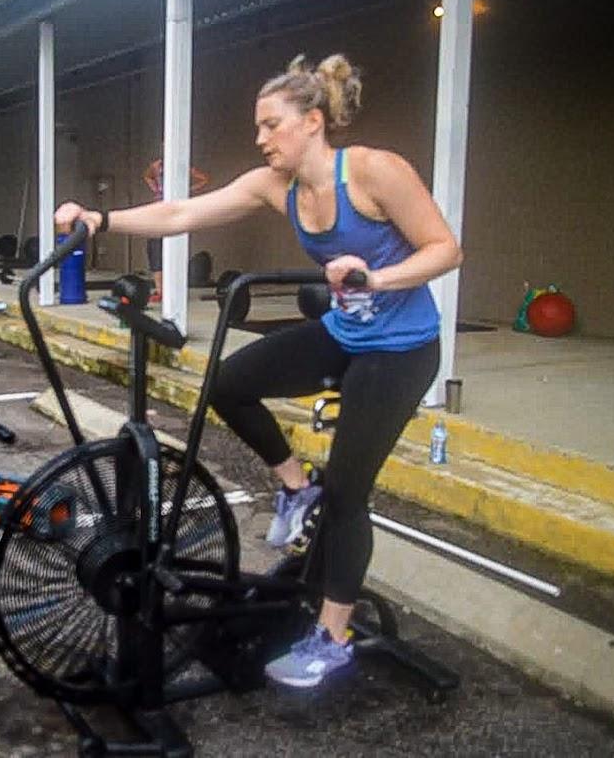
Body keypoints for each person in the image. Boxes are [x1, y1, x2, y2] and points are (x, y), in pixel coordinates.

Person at [54, 53, 462, 693]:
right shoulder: (277, 187)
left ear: (313, 122)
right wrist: (100, 220)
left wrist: (374, 276)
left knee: (350, 495)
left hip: (403, 348)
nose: (260, 139)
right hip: (345, 334)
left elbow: (446, 248)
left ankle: (332, 639)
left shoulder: (376, 171)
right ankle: (297, 488)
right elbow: (183, 214)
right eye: (258, 128)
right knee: (229, 383)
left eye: (271, 125)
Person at [141, 154, 209, 303]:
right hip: (159, 208)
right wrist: (156, 189)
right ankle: (160, 290)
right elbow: (147, 176)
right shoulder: (157, 165)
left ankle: (170, 289)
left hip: (174, 209)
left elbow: (204, 179)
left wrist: (187, 190)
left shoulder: (182, 165)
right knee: (155, 248)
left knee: (173, 247)